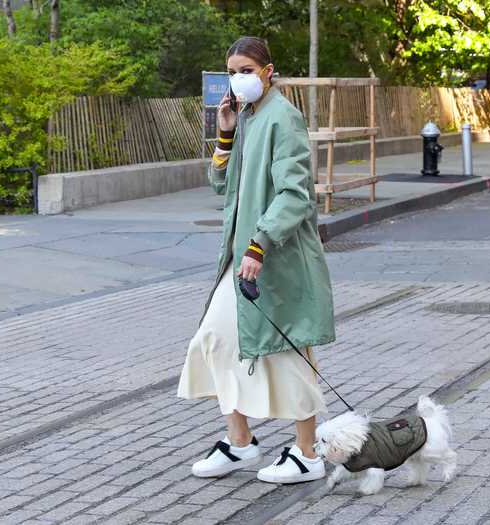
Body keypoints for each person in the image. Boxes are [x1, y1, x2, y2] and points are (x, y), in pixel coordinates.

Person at [177, 36, 336, 484]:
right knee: (214, 339)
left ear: (268, 70)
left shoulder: (284, 118)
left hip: (276, 257)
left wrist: (260, 244)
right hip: (243, 255)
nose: (239, 78)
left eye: (247, 68)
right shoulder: (246, 117)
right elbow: (220, 183)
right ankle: (240, 441)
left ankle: (308, 453)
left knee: (289, 351)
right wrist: (225, 132)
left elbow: (295, 194)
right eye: (233, 70)